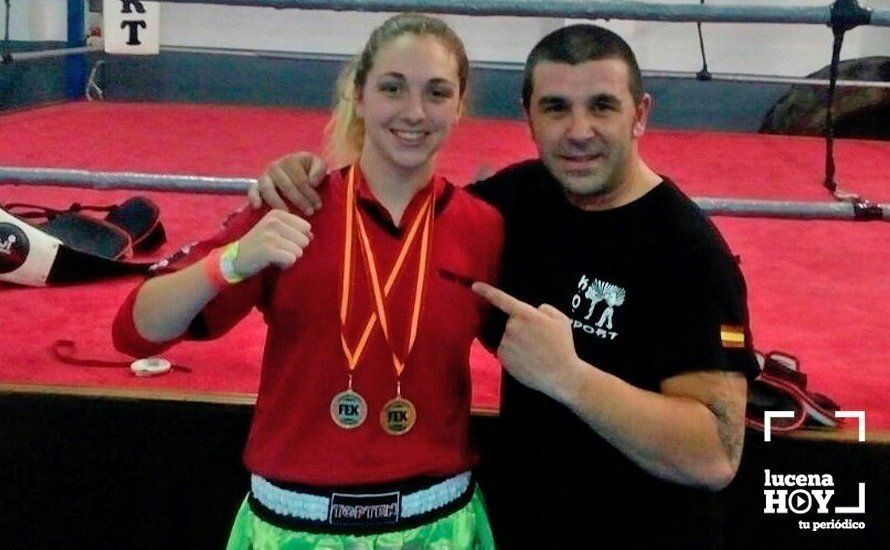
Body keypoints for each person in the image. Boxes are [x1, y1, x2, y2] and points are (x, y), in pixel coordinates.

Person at [249, 24, 759, 549]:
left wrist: (571, 379)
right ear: (529, 117)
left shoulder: (690, 254)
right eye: (556, 108)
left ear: (640, 115)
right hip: (523, 522)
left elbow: (715, 456)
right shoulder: (514, 203)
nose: (579, 130)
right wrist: (302, 179)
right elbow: (400, 215)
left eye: (603, 106)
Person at [113, 13, 503, 549]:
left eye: (437, 93)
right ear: (359, 94)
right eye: (393, 88)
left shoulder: (485, 227)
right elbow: (135, 331)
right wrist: (230, 261)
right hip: (294, 528)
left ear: (460, 105)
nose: (414, 112)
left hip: (438, 525)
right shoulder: (295, 206)